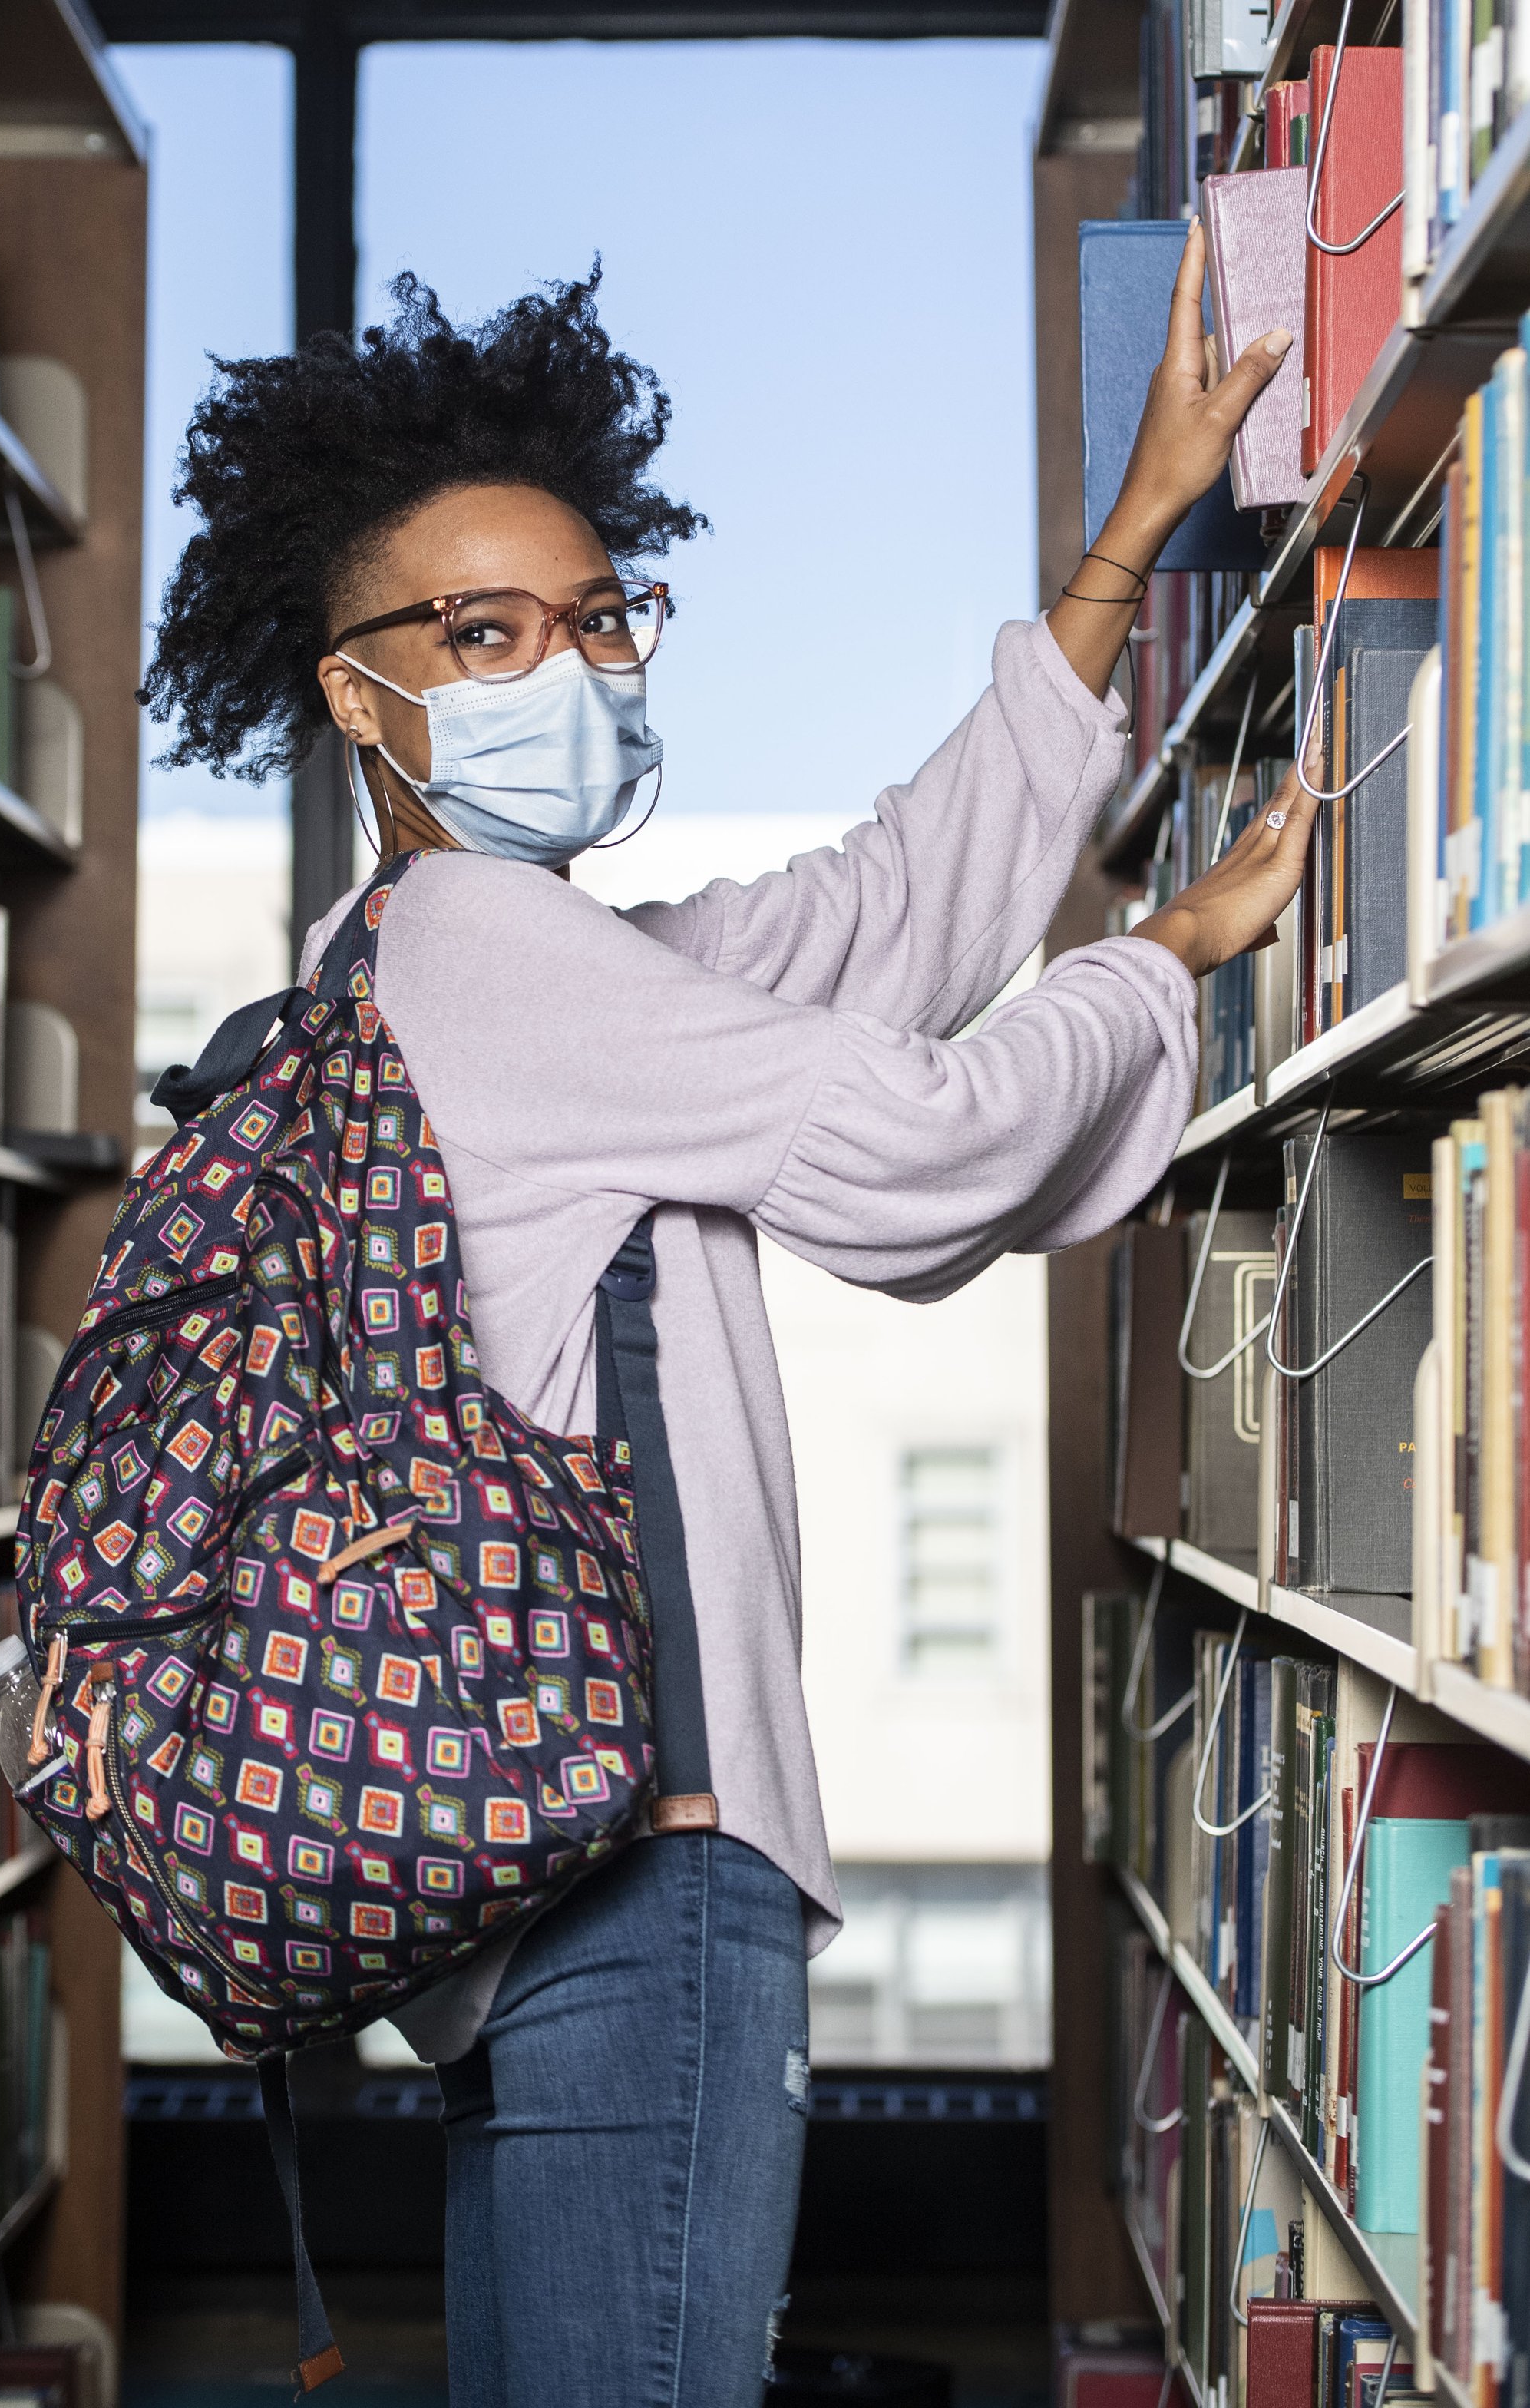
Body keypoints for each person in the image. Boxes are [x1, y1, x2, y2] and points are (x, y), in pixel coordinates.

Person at [140, 238, 1304, 2408]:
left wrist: (1120, 551)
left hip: (488, 1864)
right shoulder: (504, 956)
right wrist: (1164, 954)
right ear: (352, 690)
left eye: (594, 618)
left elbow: (876, 914)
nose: (560, 667)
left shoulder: (379, 962)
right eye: (480, 632)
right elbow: (925, 1135)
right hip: (639, 1861)